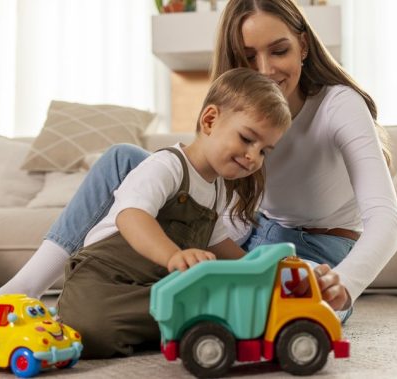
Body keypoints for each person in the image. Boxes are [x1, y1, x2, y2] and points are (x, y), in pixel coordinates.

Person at [0, 0, 397, 342]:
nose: (266, 70)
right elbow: (208, 192)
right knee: (125, 159)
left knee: (285, 325)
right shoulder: (238, 114)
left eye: (279, 50)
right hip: (255, 232)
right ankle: (21, 290)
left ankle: (132, 315)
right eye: (248, 58)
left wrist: (347, 282)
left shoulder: (340, 105)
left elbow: (387, 221)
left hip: (318, 245)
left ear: (303, 44)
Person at [57, 68, 291, 358]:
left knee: (214, 306)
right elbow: (131, 215)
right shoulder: (167, 166)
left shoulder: (218, 188)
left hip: (153, 286)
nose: (253, 157)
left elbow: (217, 242)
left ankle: (171, 327)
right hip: (103, 278)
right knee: (89, 329)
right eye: (246, 139)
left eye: (265, 151)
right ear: (209, 120)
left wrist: (260, 270)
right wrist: (172, 255)